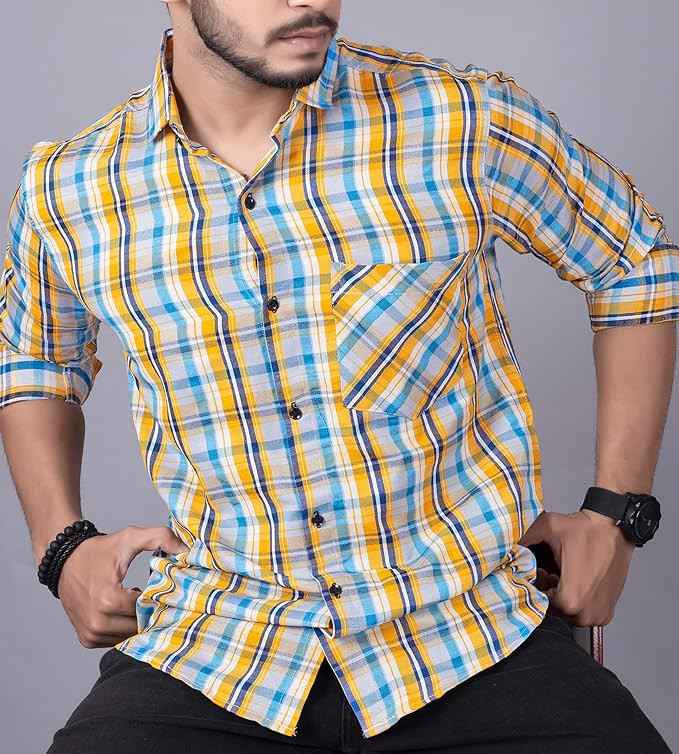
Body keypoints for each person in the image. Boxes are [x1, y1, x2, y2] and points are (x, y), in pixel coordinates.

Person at [0, 1, 676, 751]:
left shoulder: (460, 117)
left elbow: (634, 263)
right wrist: (61, 546)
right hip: (220, 644)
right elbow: (36, 360)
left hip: (469, 630)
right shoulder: (69, 189)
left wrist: (618, 512)